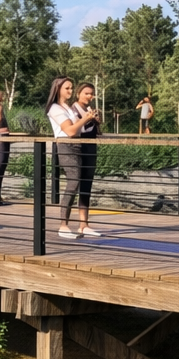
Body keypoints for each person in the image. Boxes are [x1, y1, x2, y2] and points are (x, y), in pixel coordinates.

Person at [45, 76, 100, 239]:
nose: (70, 91)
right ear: (58, 89)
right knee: (73, 182)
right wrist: (85, 118)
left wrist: (92, 121)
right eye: (67, 88)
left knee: (84, 183)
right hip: (66, 146)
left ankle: (84, 225)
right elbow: (69, 131)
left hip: (79, 145)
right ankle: (63, 225)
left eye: (71, 87)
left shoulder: (67, 108)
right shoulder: (54, 108)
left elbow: (78, 129)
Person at [74, 82, 102, 228]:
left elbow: (94, 130)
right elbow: (77, 129)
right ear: (79, 93)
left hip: (91, 147)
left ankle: (84, 223)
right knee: (79, 185)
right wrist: (88, 119)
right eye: (86, 93)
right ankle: (81, 223)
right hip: (81, 149)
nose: (90, 96)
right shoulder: (74, 109)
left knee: (87, 185)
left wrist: (97, 121)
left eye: (91, 93)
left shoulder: (89, 108)